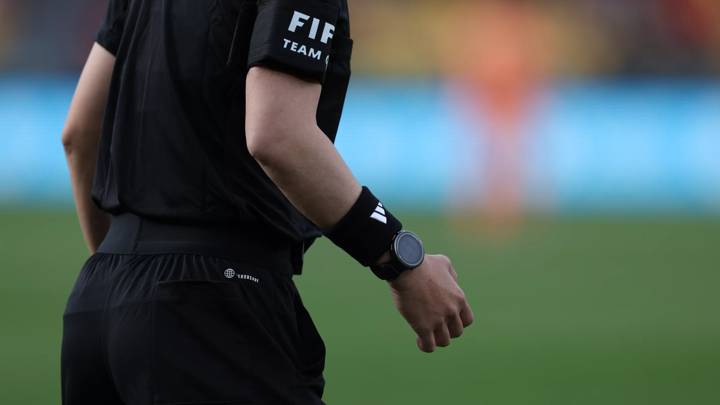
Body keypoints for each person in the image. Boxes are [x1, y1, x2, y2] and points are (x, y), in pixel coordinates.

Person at [60, 1, 474, 404]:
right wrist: (398, 258)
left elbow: (80, 133)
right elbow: (278, 136)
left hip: (98, 305)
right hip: (212, 308)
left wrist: (132, 281)